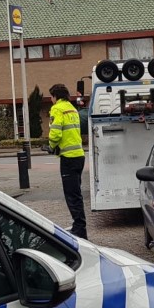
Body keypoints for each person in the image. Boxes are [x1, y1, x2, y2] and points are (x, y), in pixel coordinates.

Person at [48, 83, 87, 239]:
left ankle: (80, 230)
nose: (51, 100)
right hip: (79, 155)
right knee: (76, 194)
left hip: (68, 159)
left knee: (72, 196)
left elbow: (56, 134)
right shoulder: (72, 109)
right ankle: (80, 228)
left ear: (55, 96)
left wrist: (51, 145)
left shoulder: (57, 109)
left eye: (51, 97)